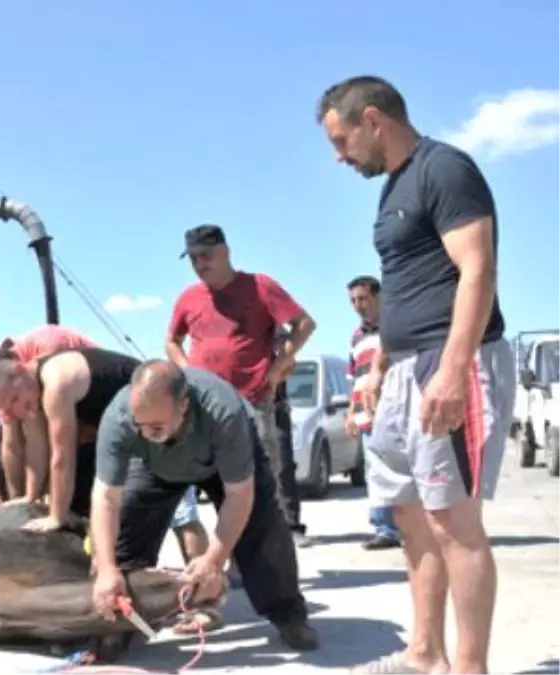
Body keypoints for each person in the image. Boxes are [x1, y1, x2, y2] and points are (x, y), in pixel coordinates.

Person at [317, 75, 513, 675]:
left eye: (342, 139)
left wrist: (453, 371)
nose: (339, 155)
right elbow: (408, 288)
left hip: (450, 361)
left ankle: (469, 669)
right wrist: (379, 367)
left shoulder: (445, 169)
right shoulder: (394, 189)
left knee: (454, 523)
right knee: (409, 515)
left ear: (373, 120)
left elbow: (477, 271)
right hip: (403, 369)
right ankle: (425, 655)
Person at [87, 360, 320, 651]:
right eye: (140, 426)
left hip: (223, 464)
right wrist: (107, 566)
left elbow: (239, 494)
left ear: (183, 405)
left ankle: (289, 614)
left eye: (156, 426)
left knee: (264, 528)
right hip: (156, 467)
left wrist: (214, 559)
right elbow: (106, 497)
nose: (146, 434)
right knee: (125, 538)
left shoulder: (223, 411)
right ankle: (121, 621)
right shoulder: (119, 417)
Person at [166, 224, 317, 546]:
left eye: (206, 256)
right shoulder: (189, 298)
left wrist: (278, 367)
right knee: (218, 481)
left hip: (253, 399)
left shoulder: (259, 286)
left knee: (262, 480)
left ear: (225, 251)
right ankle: (235, 554)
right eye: (193, 258)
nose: (199, 264)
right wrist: (188, 371)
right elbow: (171, 341)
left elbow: (304, 324)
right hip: (204, 404)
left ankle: (272, 555)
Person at [0, 346, 140, 529]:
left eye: (15, 398)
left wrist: (56, 516)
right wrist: (30, 497)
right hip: (118, 429)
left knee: (112, 513)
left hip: (149, 421)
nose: (18, 410)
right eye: (9, 409)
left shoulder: (56, 383)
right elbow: (37, 447)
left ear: (20, 369)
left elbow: (62, 456)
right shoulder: (32, 387)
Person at [0, 325, 98, 505]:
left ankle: (52, 496)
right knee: (17, 426)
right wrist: (2, 500)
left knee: (54, 431)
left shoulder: (47, 349)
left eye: (13, 399)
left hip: (89, 403)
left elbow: (55, 438)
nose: (12, 407)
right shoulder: (0, 389)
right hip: (53, 400)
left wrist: (50, 494)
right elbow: (6, 443)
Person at [345, 275, 401, 551]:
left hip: (395, 410)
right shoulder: (356, 337)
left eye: (363, 298)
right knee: (375, 472)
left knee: (405, 468)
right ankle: (385, 528)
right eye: (354, 300)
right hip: (365, 415)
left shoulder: (396, 328)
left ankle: (413, 525)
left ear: (379, 297)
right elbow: (354, 377)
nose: (359, 305)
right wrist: (351, 414)